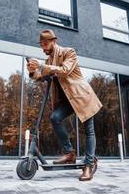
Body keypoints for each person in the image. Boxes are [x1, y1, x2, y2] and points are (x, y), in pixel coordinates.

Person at [26, 29, 102, 181]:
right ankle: (70, 153)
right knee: (55, 118)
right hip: (68, 101)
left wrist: (41, 66)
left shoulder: (69, 52)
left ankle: (88, 166)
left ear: (54, 41)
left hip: (82, 97)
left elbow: (65, 70)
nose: (43, 48)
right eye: (41, 45)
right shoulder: (48, 61)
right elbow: (41, 75)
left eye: (45, 44)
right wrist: (33, 71)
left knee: (89, 131)